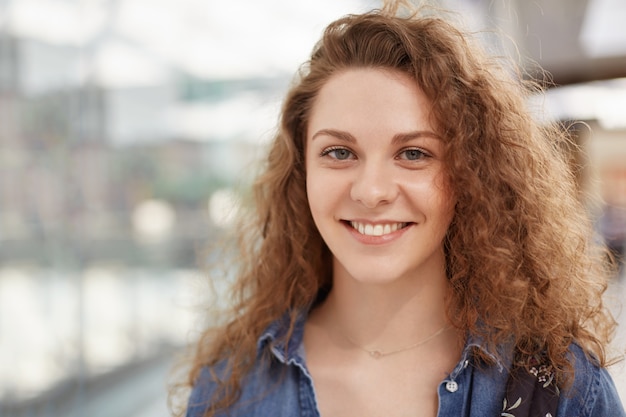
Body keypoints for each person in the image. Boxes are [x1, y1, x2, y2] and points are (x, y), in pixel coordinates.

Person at [177, 1, 625, 416]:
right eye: (338, 152)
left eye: (413, 153)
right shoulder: (229, 392)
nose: (371, 192)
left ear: (471, 176)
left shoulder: (563, 390)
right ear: (302, 174)